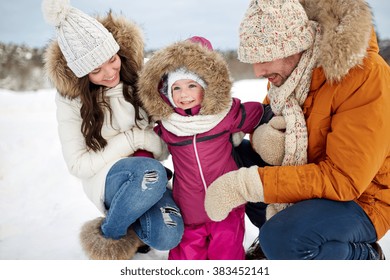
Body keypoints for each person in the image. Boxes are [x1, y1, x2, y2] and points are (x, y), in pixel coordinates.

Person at [204, 0, 390, 260]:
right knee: (232, 153)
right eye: (253, 59)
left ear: (295, 46)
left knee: (283, 238)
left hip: (361, 200)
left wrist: (247, 185)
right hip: (310, 179)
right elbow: (268, 122)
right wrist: (259, 135)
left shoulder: (365, 75)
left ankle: (363, 256)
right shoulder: (289, 76)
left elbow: (344, 181)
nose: (258, 71)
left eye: (265, 57)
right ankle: (276, 236)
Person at [41, 0, 183, 260]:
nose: (109, 72)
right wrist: (134, 139)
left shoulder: (143, 75)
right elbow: (78, 165)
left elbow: (168, 138)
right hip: (106, 177)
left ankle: (132, 216)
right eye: (96, 70)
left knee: (168, 235)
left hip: (152, 172)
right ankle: (111, 232)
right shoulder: (71, 100)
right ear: (82, 74)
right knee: (149, 172)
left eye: (111, 59)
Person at [137, 37, 265, 259]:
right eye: (176, 88)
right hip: (189, 209)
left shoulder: (225, 114)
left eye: (191, 85)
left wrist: (254, 129)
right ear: (167, 93)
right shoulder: (168, 125)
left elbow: (257, 113)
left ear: (207, 88)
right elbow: (150, 144)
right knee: (186, 258)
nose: (184, 94)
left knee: (227, 257)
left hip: (227, 206)